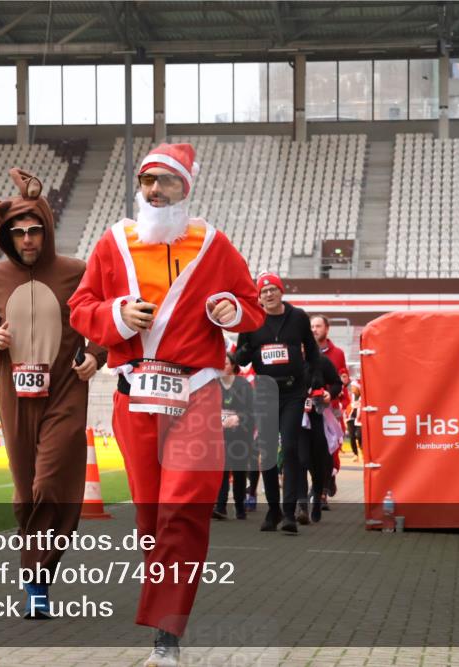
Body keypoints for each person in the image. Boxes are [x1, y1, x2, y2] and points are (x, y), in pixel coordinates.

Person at [68, 142, 264, 666]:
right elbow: (80, 308)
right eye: (147, 181)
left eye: (166, 182)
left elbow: (250, 309)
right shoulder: (113, 243)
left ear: (186, 188)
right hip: (134, 397)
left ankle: (166, 635)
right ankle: (165, 619)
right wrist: (115, 315)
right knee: (153, 518)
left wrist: (229, 309)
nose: (154, 191)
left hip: (196, 394)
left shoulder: (215, 245)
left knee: (184, 510)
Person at [0, 168, 105, 619]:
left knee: (51, 486)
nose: (27, 239)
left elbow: (103, 317)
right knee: (26, 495)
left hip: (65, 393)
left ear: (46, 230)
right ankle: (37, 578)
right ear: (7, 236)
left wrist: (95, 355)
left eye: (34, 230)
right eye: (18, 232)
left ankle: (38, 573)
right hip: (16, 398)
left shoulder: (75, 272)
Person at [235, 272, 320, 535]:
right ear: (258, 297)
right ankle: (273, 510)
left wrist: (310, 380)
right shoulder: (252, 321)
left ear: (281, 291)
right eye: (263, 291)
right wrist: (245, 352)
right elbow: (240, 358)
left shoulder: (298, 317)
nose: (268, 294)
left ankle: (289, 512)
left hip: (293, 392)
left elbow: (312, 351)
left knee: (291, 447)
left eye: (273, 289)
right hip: (265, 392)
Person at [310, 315, 350, 497]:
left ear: (327, 329)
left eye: (318, 326)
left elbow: (341, 379)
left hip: (330, 408)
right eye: (311, 326)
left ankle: (325, 485)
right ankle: (321, 484)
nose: (314, 330)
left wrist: (342, 383)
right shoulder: (304, 352)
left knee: (330, 447)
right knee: (311, 449)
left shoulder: (338, 353)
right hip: (309, 409)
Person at [213, 351, 255, 521]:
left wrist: (238, 418)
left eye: (226, 363)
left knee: (239, 471)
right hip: (219, 435)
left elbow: (252, 409)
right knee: (221, 471)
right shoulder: (214, 385)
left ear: (233, 365)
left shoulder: (243, 385)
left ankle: (240, 507)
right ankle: (220, 506)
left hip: (240, 435)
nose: (223, 366)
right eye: (220, 363)